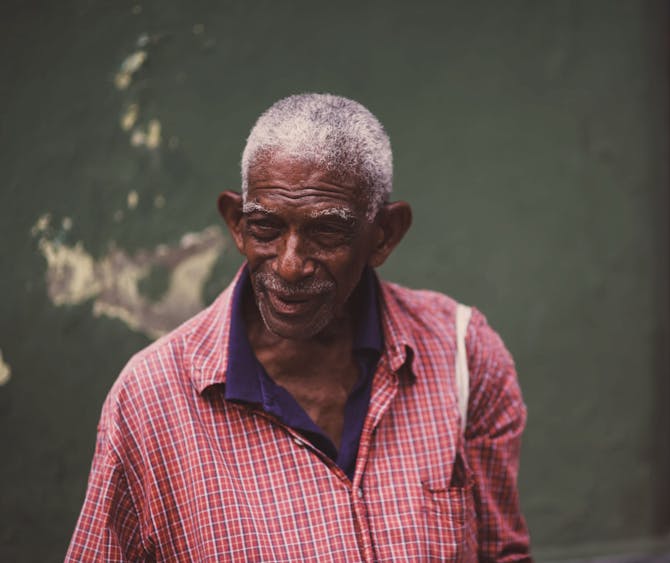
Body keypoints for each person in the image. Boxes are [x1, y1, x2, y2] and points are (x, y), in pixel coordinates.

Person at [66, 93, 531, 562]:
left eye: (327, 232)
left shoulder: (461, 355)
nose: (289, 266)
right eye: (265, 227)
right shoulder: (151, 400)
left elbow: (502, 552)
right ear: (236, 224)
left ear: (384, 234)